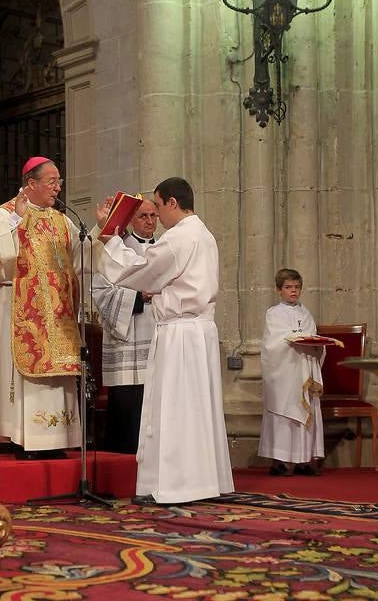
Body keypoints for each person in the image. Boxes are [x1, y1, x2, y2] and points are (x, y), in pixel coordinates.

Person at [95, 176, 233, 505]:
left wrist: (110, 237)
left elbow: (138, 272)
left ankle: (174, 485)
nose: (156, 214)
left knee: (172, 409)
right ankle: (205, 481)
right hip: (200, 331)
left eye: (157, 205)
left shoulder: (178, 239)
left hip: (179, 334)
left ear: (172, 202)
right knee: (198, 409)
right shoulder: (205, 234)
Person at [0, 156, 83, 456]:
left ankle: (57, 439)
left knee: (57, 379)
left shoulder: (61, 219)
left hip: (57, 316)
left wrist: (103, 232)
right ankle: (24, 438)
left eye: (59, 181)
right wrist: (18, 222)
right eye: (51, 181)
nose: (57, 188)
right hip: (20, 310)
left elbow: (82, 258)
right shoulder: (4, 215)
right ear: (31, 184)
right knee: (27, 374)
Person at [91, 198, 158, 453]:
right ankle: (123, 457)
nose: (150, 221)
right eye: (143, 216)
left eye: (153, 215)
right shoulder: (115, 249)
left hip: (156, 334)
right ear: (131, 219)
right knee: (129, 405)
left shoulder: (164, 248)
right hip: (128, 336)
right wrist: (138, 298)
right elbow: (100, 290)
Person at [258, 268, 324, 476]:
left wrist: (314, 342)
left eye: (296, 287)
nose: (293, 291)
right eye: (288, 287)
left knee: (305, 411)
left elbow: (313, 336)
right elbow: (272, 344)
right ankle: (279, 461)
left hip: (304, 370)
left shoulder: (306, 313)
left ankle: (303, 460)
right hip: (284, 372)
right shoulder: (274, 313)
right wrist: (296, 338)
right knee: (282, 414)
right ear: (279, 290)